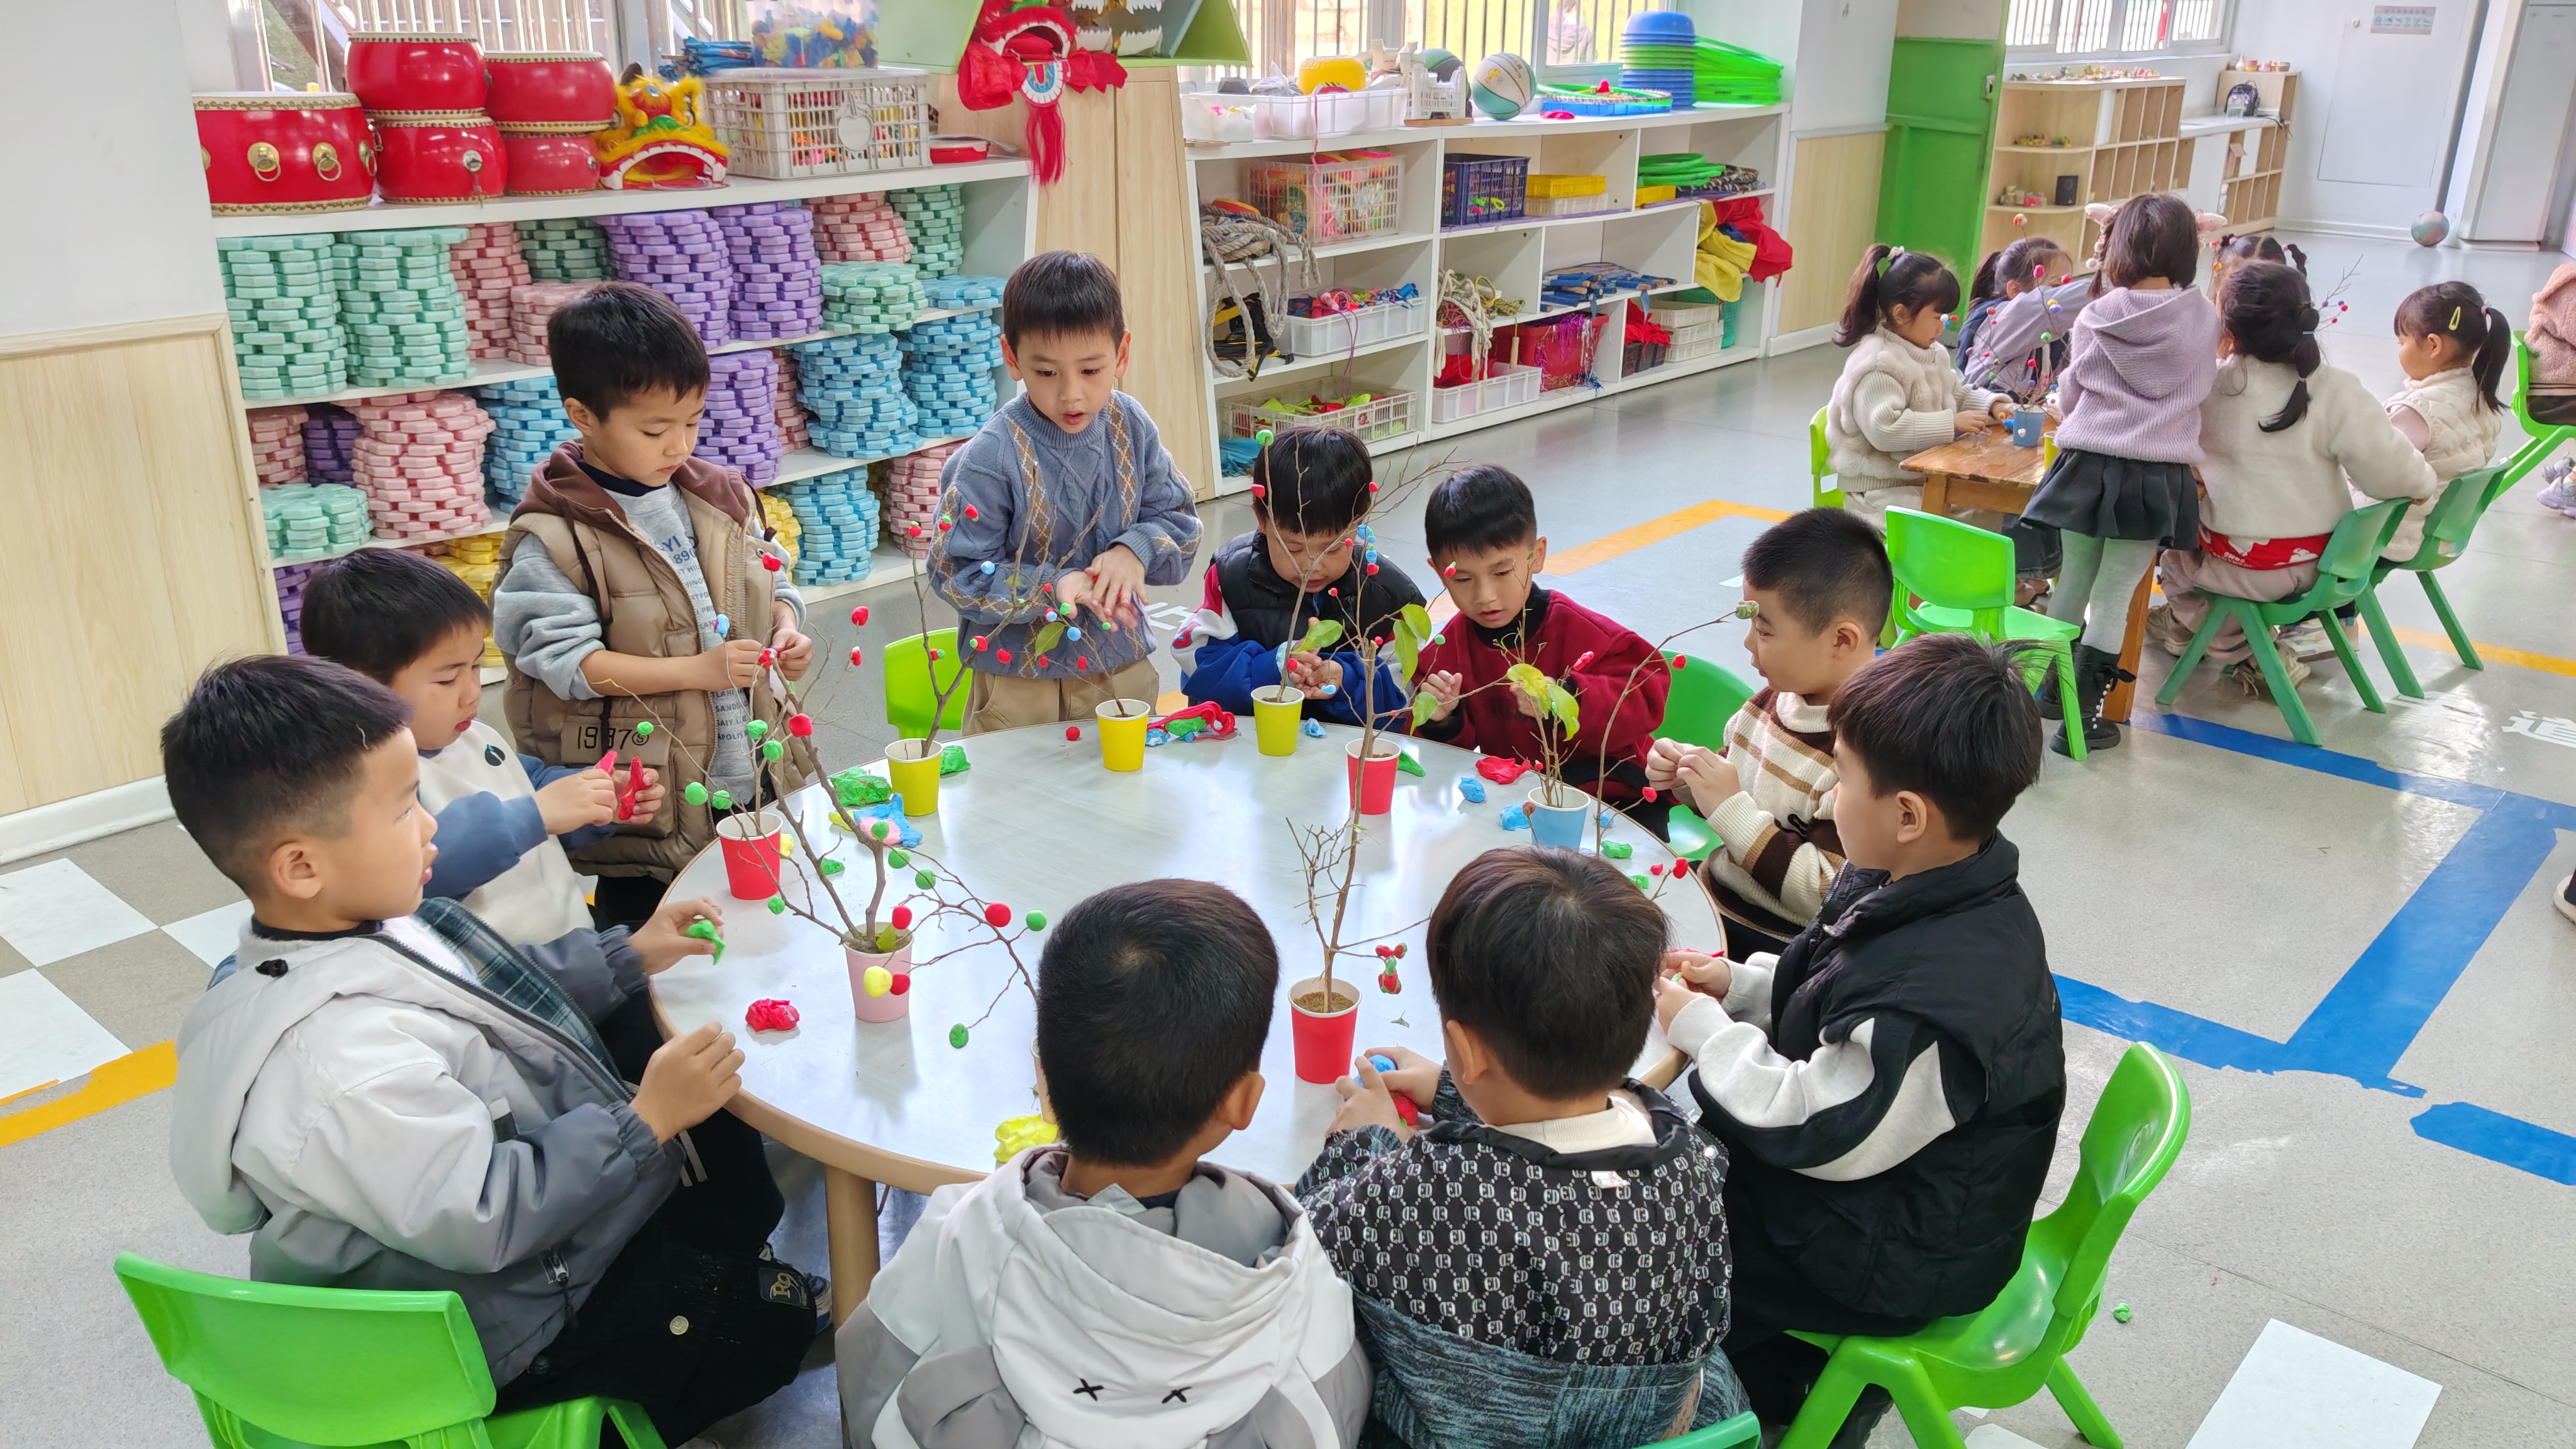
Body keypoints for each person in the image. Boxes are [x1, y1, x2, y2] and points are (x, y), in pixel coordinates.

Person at [164, 655, 816, 1446]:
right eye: (406, 809)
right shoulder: (342, 1071)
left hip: (496, 1249)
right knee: (766, 1326)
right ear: (301, 866)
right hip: (491, 1330)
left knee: (719, 1209)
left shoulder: (372, 922)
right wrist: (644, 1120)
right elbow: (486, 1215)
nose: (432, 824)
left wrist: (631, 953)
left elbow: (498, 987)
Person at [1655, 634, 2062, 1443]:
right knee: (1675, 1174)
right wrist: (1738, 988)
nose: (1834, 796)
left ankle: (1777, 1404)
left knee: (1662, 1242)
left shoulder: (1939, 1002)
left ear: (1907, 814)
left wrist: (1703, 1036)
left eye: (1842, 778)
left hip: (1892, 1252)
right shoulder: (1921, 879)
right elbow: (1839, 996)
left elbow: (1814, 1124)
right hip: (1887, 1187)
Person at [836, 879, 1368, 1449]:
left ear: (1043, 1079)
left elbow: (870, 1394)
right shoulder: (1299, 1284)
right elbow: (1337, 1414)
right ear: (1243, 1102)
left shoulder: (954, 1237)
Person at [1298, 847, 1745, 1448]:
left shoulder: (1429, 1192)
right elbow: (1564, 1153)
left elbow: (1311, 1239)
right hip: (1663, 1425)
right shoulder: (1690, 1152)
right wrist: (1460, 1093)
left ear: (1467, 1046)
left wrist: (1368, 1140)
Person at [491, 281, 810, 929]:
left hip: (748, 770)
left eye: (692, 422)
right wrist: (697, 672)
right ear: (583, 416)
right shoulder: (556, 536)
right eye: (655, 429)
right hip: (649, 804)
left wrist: (786, 626)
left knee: (764, 934)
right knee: (653, 958)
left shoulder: (721, 496)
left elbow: (771, 579)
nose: (679, 446)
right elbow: (569, 664)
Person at [302, 548, 657, 948]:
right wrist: (537, 815)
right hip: (500, 985)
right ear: (360, 685)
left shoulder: (474, 735)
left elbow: (526, 783)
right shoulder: (363, 778)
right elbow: (418, 867)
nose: (472, 693)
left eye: (474, 667)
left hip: (573, 945)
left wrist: (594, 798)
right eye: (446, 680)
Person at [932, 250, 1204, 734]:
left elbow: (1181, 522)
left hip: (1120, 667)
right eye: (1047, 373)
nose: (1071, 394)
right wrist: (1052, 587)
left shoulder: (1130, 425)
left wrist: (1134, 550)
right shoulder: (992, 455)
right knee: (1018, 802)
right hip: (1018, 685)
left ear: (1121, 355)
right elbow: (954, 571)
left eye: (1091, 370)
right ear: (1012, 359)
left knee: (1128, 796)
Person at [2141, 262, 2436, 692]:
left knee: (2173, 563)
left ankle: (2249, 653)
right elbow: (2398, 476)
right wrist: (2420, 484)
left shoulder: (2211, 390)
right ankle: (2204, 632)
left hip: (2250, 568)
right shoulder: (2336, 388)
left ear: (2227, 330)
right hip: (2332, 565)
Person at [2022, 193, 2222, 755]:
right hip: (2156, 473)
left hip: (2087, 465)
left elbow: (2071, 393)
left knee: (2072, 584)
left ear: (2118, 248)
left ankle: (2041, 693)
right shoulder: (2203, 318)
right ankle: (2081, 721)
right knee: (2114, 595)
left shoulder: (2096, 314)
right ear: (2189, 252)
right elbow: (2204, 387)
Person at [1646, 508, 1888, 960]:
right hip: (1715, 904)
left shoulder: (1867, 752)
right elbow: (1732, 789)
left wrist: (1727, 806)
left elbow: (1826, 891)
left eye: (1764, 630)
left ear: (1841, 640)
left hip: (1783, 950)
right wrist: (1688, 778)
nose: (1748, 644)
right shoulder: (1772, 702)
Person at [1410, 465, 1670, 830]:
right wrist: (1444, 718)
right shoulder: (1444, 653)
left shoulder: (1581, 630)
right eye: (1464, 579)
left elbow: (1649, 689)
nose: (1485, 597)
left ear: (1537, 555)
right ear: (1440, 573)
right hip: (1519, 802)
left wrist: (1567, 697)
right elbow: (1444, 756)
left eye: (1502, 572)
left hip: (1615, 800)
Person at [1180, 426, 1426, 726]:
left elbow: (1401, 698)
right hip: (1249, 748)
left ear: (1360, 523)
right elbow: (1199, 670)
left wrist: (1345, 679)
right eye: (1294, 548)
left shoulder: (1388, 595)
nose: (1311, 566)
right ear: (1262, 519)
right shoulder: (1232, 577)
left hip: (1341, 761)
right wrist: (1275, 666)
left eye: (1333, 549)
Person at [1822, 245, 2016, 530]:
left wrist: (1994, 405)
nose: (1943, 327)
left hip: (1923, 479)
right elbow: (1887, 430)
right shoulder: (1877, 364)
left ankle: (2005, 573)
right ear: (1901, 314)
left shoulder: (1932, 351)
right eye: (1937, 317)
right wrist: (1951, 424)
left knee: (1990, 509)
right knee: (1955, 529)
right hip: (1880, 491)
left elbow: (1955, 392)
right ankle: (1970, 574)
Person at [2367, 280, 2509, 566]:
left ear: (2433, 344)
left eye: (2402, 341)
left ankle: (2326, 606)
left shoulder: (2418, 411)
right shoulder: (2482, 399)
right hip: (2439, 536)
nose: (2400, 350)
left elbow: (2370, 474)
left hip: (2389, 538)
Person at [1960, 236, 2085, 398]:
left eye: (2069, 286)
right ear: (2016, 290)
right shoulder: (2006, 320)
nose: (2067, 296)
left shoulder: (2052, 334)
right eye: (2055, 289)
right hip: (1985, 417)